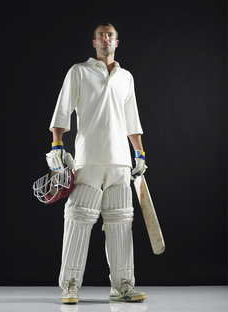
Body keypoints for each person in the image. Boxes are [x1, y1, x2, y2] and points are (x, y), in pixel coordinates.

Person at [46, 22, 147, 304]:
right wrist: (56, 145)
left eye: (110, 36)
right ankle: (70, 286)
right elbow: (63, 109)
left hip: (120, 163)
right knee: (78, 222)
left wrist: (139, 153)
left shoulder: (126, 77)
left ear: (117, 42)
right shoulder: (79, 71)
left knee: (121, 224)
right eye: (101, 35)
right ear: (94, 43)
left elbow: (132, 119)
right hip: (88, 160)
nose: (106, 39)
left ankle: (123, 286)